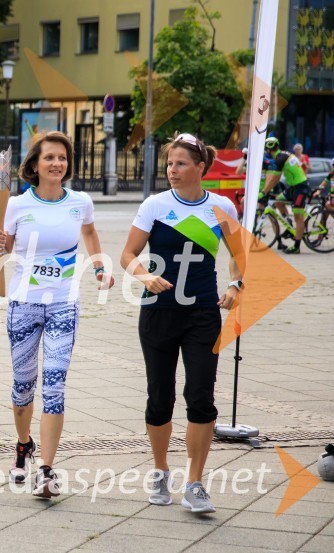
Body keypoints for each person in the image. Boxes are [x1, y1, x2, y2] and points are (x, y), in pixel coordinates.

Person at [0, 131, 114, 498]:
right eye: (49, 158)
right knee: (23, 386)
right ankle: (23, 443)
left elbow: (88, 232)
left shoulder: (80, 202)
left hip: (64, 302)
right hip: (24, 303)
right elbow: (5, 248)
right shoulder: (16, 205)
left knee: (55, 385)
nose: (57, 163)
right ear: (35, 165)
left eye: (62, 158)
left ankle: (46, 469)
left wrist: (100, 265)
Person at [120, 132, 242, 515]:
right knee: (160, 397)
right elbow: (127, 253)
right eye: (170, 163)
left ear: (200, 168)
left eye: (181, 164)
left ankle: (195, 483)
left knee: (201, 396)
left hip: (203, 314)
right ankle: (159, 471)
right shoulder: (155, 205)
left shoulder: (222, 207)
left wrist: (236, 285)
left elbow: (240, 255)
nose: (172, 170)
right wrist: (144, 276)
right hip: (158, 312)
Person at [261, 137, 310, 254]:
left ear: (269, 149)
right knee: (278, 201)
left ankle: (297, 246)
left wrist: (263, 192)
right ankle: (289, 224)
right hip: (293, 187)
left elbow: (275, 179)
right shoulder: (283, 154)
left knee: (298, 216)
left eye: (266, 150)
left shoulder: (280, 159)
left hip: (300, 187)